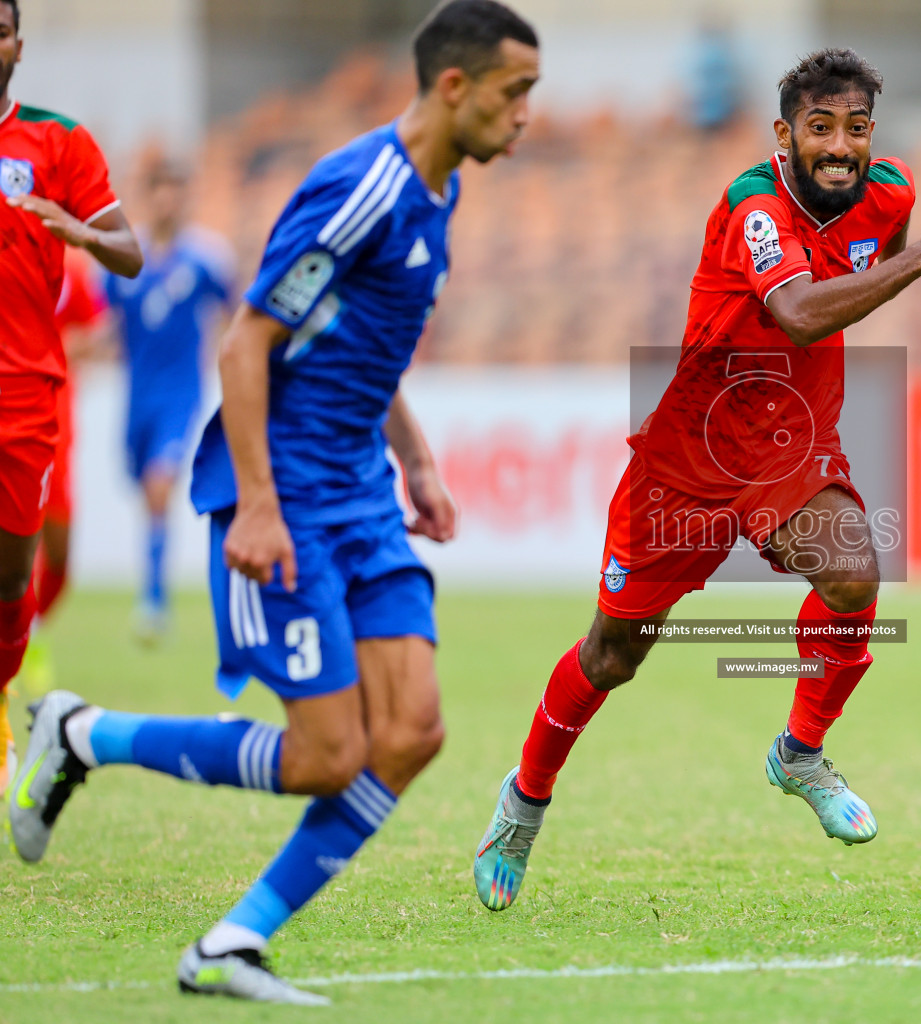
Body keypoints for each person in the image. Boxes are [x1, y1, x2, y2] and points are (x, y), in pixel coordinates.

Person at [8, 0, 538, 1002]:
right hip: (286, 492)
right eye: (517, 95)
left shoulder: (437, 194)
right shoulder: (359, 188)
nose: (526, 118)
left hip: (363, 495)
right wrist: (257, 503)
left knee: (413, 732)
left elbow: (359, 346)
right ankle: (82, 734)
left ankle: (229, 945)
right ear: (456, 87)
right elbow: (247, 342)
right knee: (327, 756)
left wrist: (416, 461)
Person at [472, 48, 921, 912]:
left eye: (855, 129)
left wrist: (908, 257)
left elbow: (869, 272)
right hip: (691, 452)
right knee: (614, 654)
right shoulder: (755, 204)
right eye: (818, 129)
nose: (839, 147)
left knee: (856, 568)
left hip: (789, 442)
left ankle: (800, 754)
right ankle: (523, 804)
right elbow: (794, 312)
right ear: (784, 135)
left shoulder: (892, 191)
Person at [0, 0, 143, 795]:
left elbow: (129, 250)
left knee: (15, 582)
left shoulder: (57, 139)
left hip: (24, 394)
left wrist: (79, 231)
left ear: (17, 44)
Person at [104, 158, 235, 641]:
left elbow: (235, 315)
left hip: (182, 398)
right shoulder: (122, 258)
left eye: (177, 190)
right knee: (145, 491)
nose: (169, 199)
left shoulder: (205, 259)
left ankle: (153, 599)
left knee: (161, 485)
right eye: (161, 190)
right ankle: (153, 582)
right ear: (149, 196)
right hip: (136, 399)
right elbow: (107, 322)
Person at [18, 249, 107, 691]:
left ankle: (30, 629)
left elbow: (100, 326)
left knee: (59, 557)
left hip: (57, 427)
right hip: (11, 425)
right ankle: (15, 639)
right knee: (17, 546)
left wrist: (61, 346)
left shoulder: (72, 266)